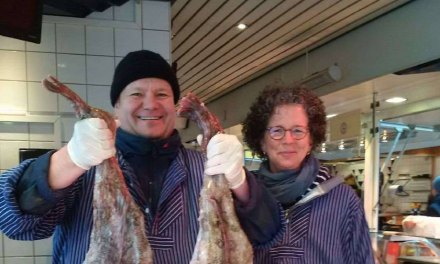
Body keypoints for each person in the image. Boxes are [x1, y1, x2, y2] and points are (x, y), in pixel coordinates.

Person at [0, 50, 282, 264]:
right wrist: (70, 159)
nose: (151, 103)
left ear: (173, 106)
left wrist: (240, 181)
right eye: (136, 93)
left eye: (162, 94)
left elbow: (268, 233)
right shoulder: (83, 167)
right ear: (117, 105)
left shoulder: (205, 167)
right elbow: (17, 223)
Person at [241, 85, 375, 264]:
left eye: (298, 130)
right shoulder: (245, 199)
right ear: (262, 142)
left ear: (311, 140)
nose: (288, 140)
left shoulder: (343, 200)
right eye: (277, 131)